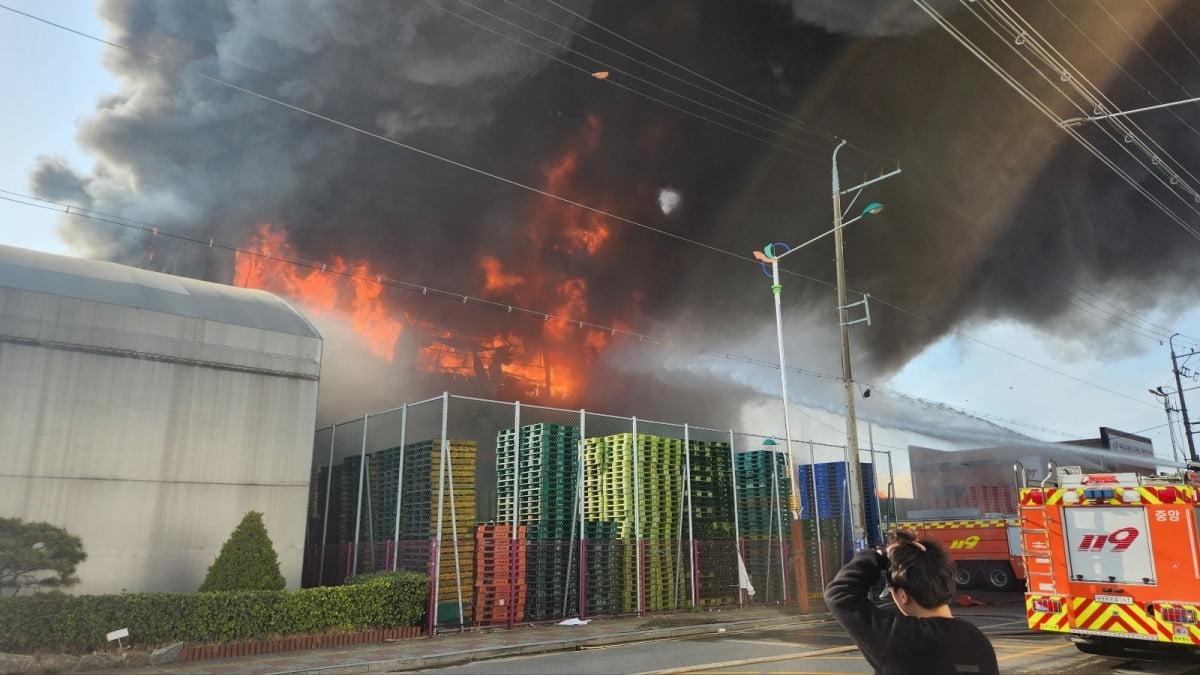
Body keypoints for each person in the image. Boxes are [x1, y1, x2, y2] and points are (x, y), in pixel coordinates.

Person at [823, 528, 999, 675]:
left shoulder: (897, 637)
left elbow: (838, 594)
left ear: (902, 595)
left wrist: (881, 554)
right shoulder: (978, 640)